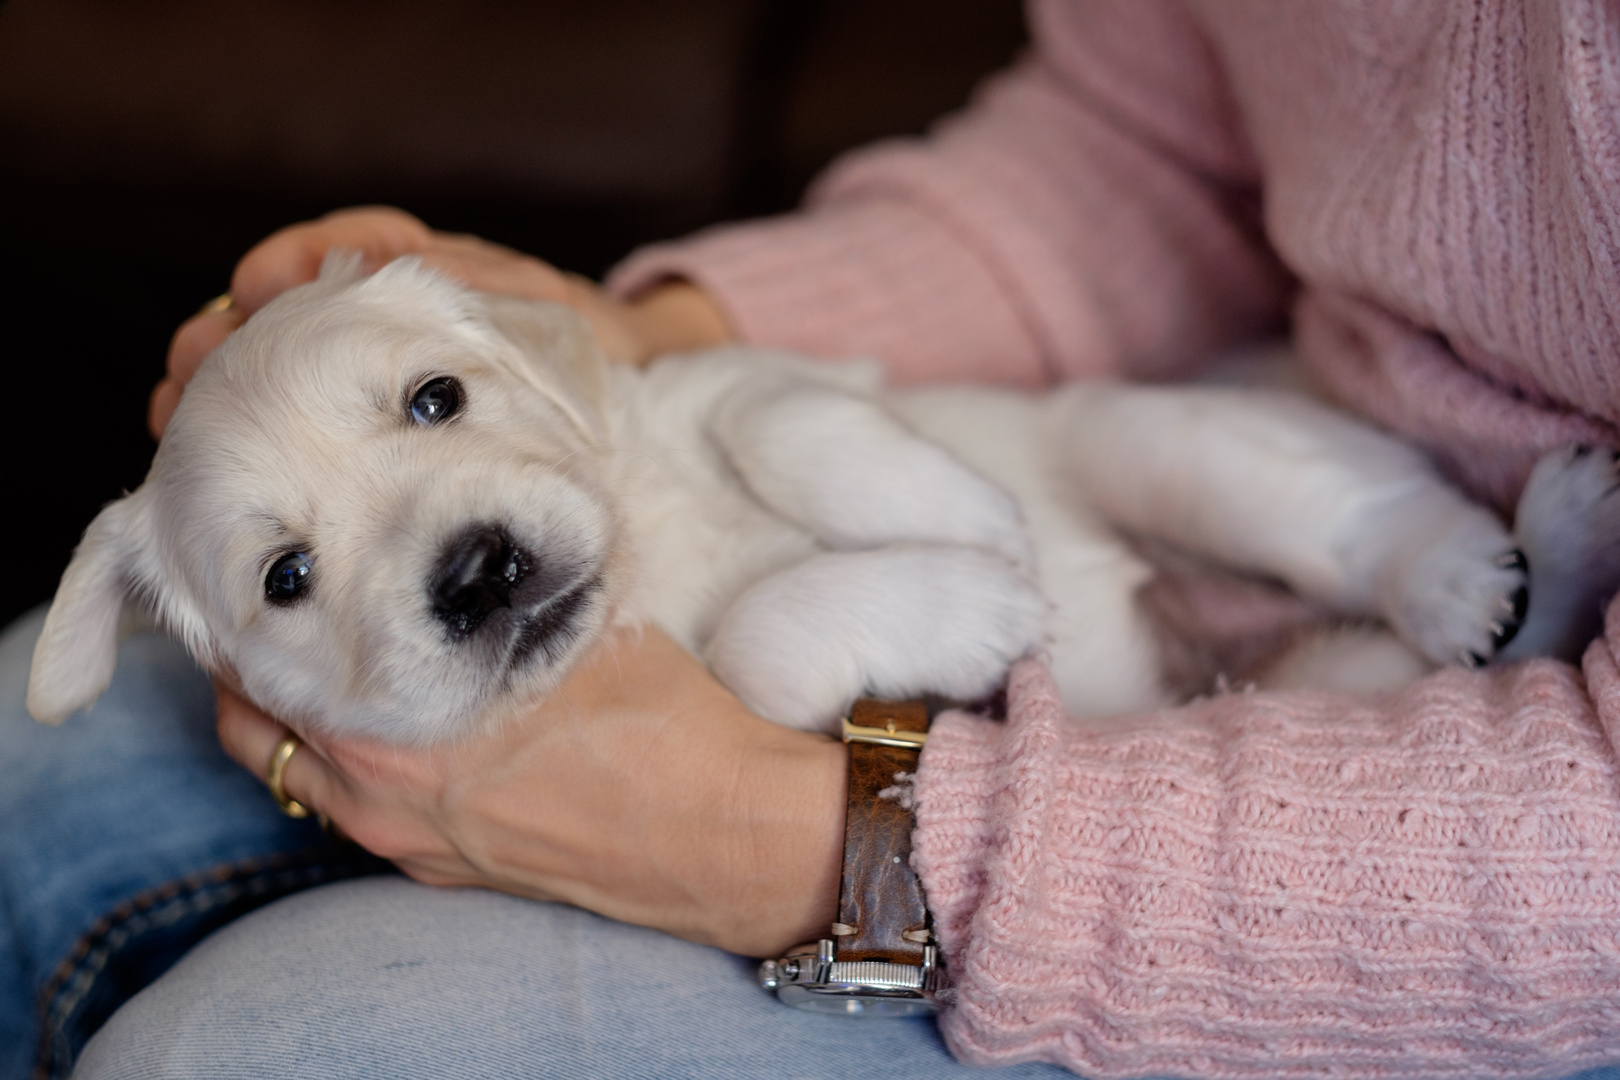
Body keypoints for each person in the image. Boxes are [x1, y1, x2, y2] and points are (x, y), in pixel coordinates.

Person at [7, 0, 1620, 1076]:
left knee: (250, 1055)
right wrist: (648, 336)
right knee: (18, 775)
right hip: (1239, 561)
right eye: (287, 577)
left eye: (433, 407)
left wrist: (800, 853)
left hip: (1453, 891)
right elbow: (1146, 153)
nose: (458, 552)